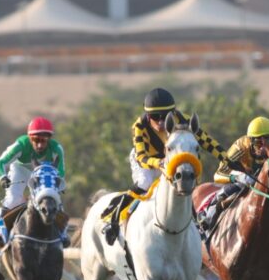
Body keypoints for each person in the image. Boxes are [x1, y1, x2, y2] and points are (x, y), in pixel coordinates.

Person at [101, 87, 237, 245]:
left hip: (170, 159)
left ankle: (195, 223)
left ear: (172, 114)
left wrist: (227, 158)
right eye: (154, 116)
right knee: (145, 182)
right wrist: (158, 163)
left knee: (183, 184)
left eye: (165, 116)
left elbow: (207, 142)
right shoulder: (139, 126)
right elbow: (141, 156)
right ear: (147, 115)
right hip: (147, 161)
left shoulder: (183, 121)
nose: (160, 121)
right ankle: (114, 219)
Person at [0, 116, 68, 249]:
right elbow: (0, 162)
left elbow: (60, 170)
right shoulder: (21, 145)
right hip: (20, 170)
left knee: (53, 197)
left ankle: (63, 233)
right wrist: (3, 177)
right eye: (35, 140)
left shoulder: (56, 149)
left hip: (43, 171)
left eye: (43, 140)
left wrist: (58, 184)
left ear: (49, 139)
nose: (39, 145)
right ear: (29, 138)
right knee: (13, 199)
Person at [197, 116, 269, 232]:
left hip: (264, 184)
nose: (263, 148)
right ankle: (207, 216)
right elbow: (217, 175)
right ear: (250, 140)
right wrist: (237, 177)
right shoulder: (240, 148)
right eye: (258, 142)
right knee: (229, 190)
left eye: (267, 141)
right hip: (242, 181)